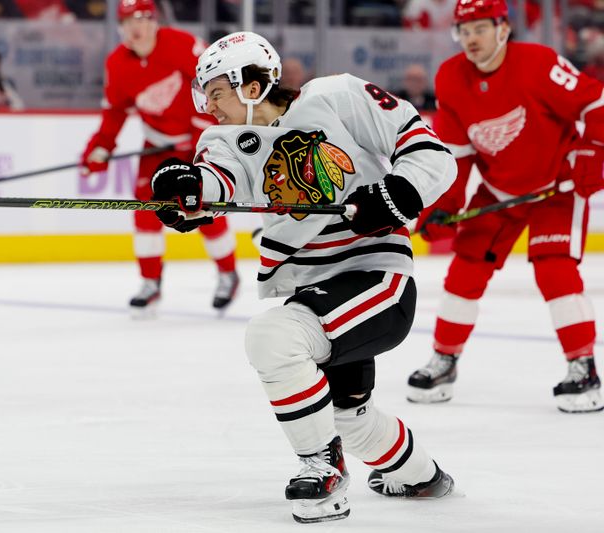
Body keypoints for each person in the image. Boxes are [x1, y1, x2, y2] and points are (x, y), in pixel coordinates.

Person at [149, 31, 457, 523]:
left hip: (376, 276)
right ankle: (424, 477)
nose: (209, 107)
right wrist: (186, 189)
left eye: (217, 93)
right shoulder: (226, 139)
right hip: (317, 292)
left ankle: (322, 468)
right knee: (348, 420)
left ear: (251, 86)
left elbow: (427, 150)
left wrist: (397, 192)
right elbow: (218, 183)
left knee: (273, 336)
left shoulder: (337, 95)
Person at [408, 0, 604, 413]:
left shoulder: (537, 62)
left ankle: (582, 368)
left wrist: (591, 152)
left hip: (557, 185)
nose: (471, 39)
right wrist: (445, 204)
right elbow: (458, 155)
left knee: (554, 269)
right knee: (465, 269)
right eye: (464, 30)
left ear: (503, 28)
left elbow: (595, 103)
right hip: (499, 191)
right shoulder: (449, 78)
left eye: (480, 28)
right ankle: (445, 359)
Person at [80, 0, 239, 316]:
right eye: (127, 22)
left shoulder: (182, 46)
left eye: (142, 19)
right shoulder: (118, 63)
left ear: (155, 21)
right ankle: (150, 283)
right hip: (157, 145)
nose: (135, 28)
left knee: (200, 208)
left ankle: (227, 273)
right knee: (145, 208)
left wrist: (204, 135)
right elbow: (115, 111)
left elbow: (215, 88)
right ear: (120, 28)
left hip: (196, 142)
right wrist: (100, 148)